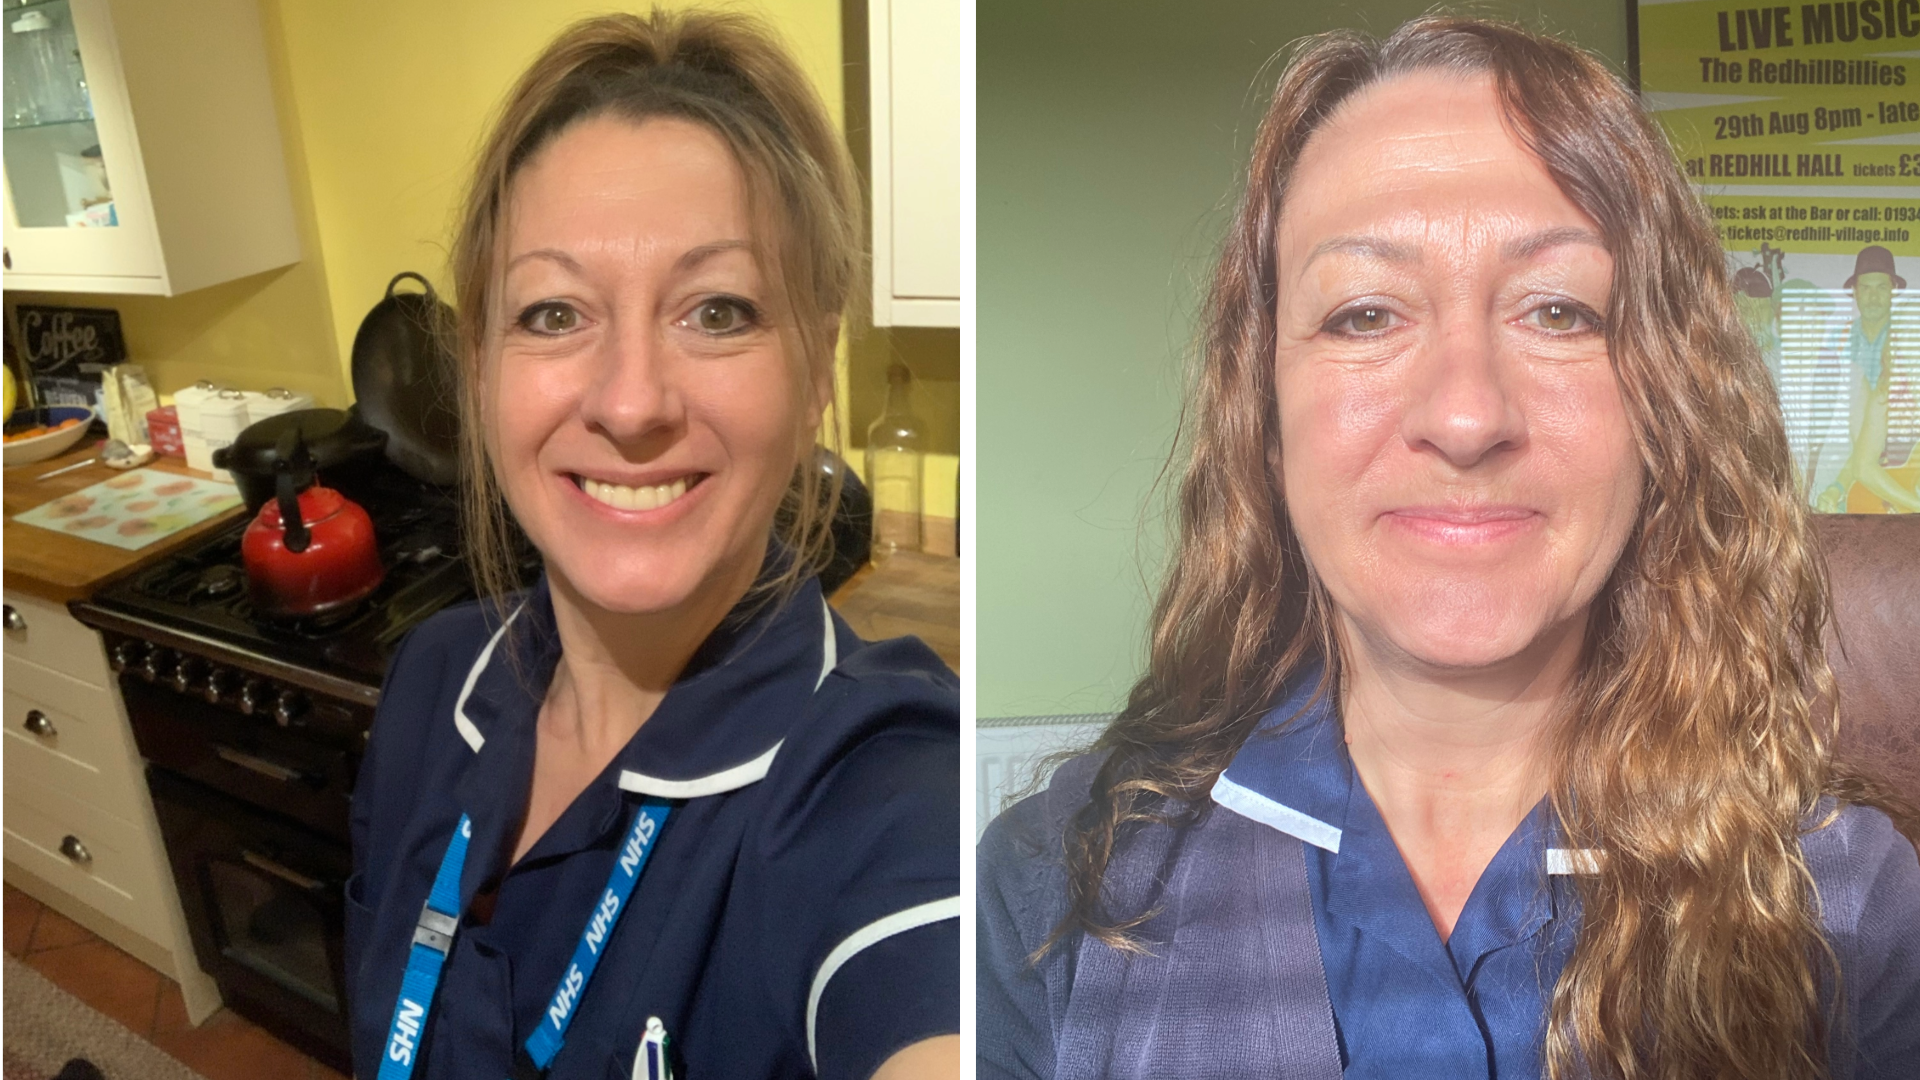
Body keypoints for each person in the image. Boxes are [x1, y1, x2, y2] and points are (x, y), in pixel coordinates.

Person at [977, 17, 1920, 1080]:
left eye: (1559, 310)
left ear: (1669, 405)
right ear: (1264, 406)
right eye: (1367, 313)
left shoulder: (1850, 908)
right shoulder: (1055, 884)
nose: (1467, 417)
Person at [345, 12, 959, 1080]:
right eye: (551, 313)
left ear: (817, 372)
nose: (632, 403)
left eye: (717, 310)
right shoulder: (434, 678)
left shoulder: (875, 792)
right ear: (481, 370)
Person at [1815, 246, 1918, 513]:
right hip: (1857, 477)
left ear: (1893, 290)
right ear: (1855, 292)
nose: (1873, 297)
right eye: (1866, 287)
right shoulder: (1835, 345)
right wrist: (1835, 487)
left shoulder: (1906, 333)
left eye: (1881, 287)